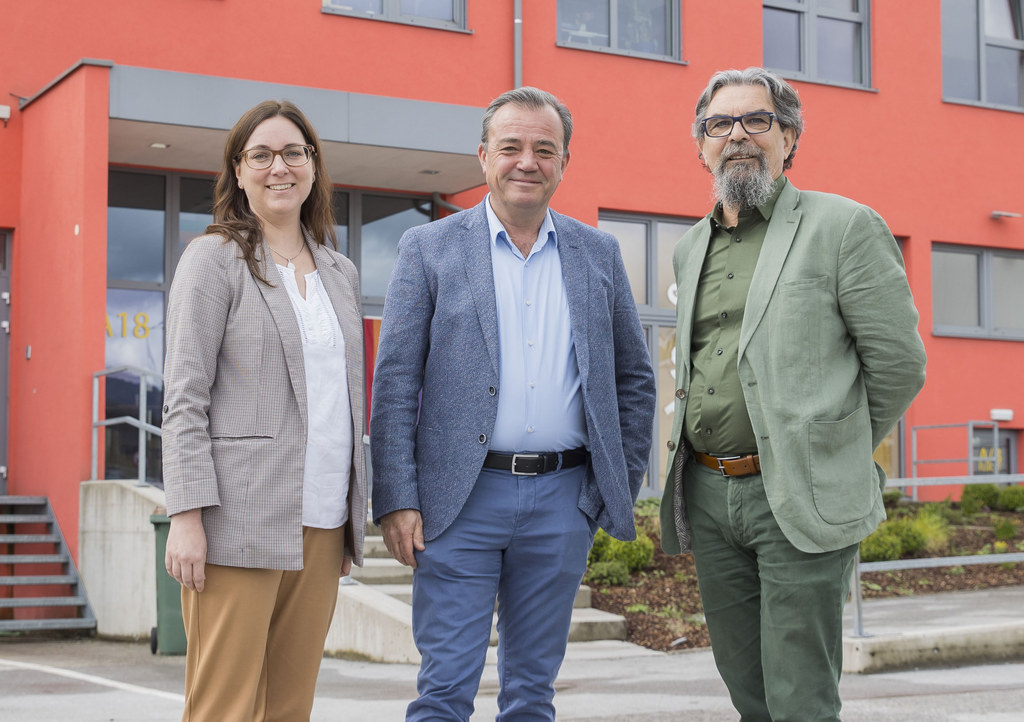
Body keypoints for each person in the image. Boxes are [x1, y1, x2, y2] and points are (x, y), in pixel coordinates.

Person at [370, 86, 656, 721]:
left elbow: (634, 380)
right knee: (444, 690)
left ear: (564, 162)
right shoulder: (430, 249)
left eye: (544, 149)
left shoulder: (598, 253)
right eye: (511, 147)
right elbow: (393, 382)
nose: (527, 161)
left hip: (563, 501)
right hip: (458, 502)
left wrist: (612, 487)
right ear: (483, 157)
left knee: (532, 694)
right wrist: (397, 497)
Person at [660, 67, 927, 721]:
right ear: (700, 145)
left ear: (791, 138)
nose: (738, 136)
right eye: (720, 124)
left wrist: (829, 445)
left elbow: (898, 365)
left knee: (799, 693)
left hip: (798, 497)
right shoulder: (690, 246)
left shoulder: (843, 227)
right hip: (708, 490)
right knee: (745, 683)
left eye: (758, 121)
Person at [161, 99, 366, 722]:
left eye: (294, 152)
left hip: (325, 519)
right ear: (239, 170)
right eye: (262, 155)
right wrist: (185, 516)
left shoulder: (341, 271)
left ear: (313, 167)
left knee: (288, 708)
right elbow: (185, 399)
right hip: (236, 522)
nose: (280, 167)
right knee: (224, 708)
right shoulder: (213, 259)